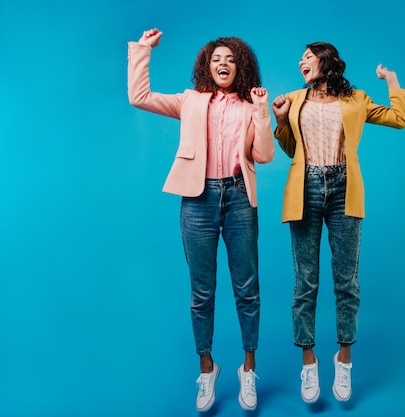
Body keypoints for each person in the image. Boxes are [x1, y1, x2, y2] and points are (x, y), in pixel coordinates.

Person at [127, 28, 274, 412]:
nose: (223, 64)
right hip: (198, 198)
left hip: (240, 197)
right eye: (216, 59)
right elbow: (138, 96)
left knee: (248, 289)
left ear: (240, 66)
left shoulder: (249, 103)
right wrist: (144, 49)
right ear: (207, 67)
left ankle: (248, 367)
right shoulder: (190, 100)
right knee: (201, 292)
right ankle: (207, 368)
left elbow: (264, 155)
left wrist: (261, 111)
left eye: (230, 59)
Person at [271, 42, 405, 403]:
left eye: (307, 56)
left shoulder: (357, 100)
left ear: (325, 60)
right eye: (299, 57)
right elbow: (289, 149)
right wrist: (281, 120)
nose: (301, 61)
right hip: (306, 188)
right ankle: (308, 361)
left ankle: (344, 360)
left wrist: (391, 81)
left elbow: (399, 119)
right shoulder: (293, 99)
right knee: (305, 281)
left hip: (345, 187)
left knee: (347, 281)